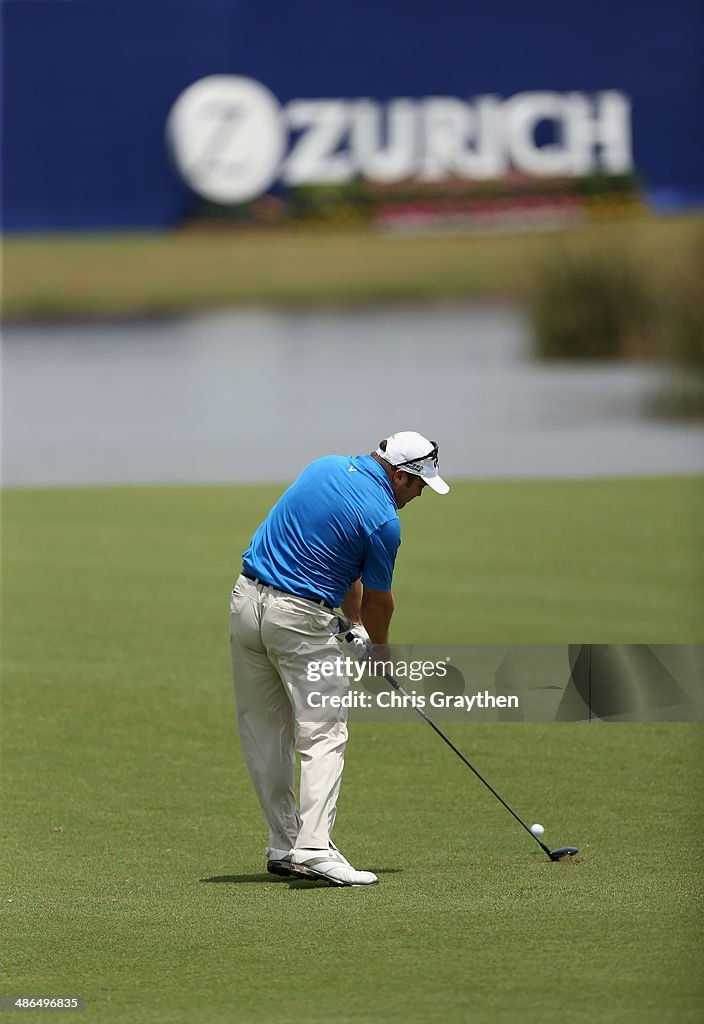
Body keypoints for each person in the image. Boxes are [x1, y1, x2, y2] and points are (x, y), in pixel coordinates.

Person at [229, 431, 449, 887]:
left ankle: (285, 843)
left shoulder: (324, 466)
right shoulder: (383, 520)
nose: (422, 493)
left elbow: (343, 566)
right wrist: (380, 655)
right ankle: (312, 849)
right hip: (299, 621)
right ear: (400, 474)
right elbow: (379, 602)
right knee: (324, 732)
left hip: (245, 605)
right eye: (420, 483)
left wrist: (352, 627)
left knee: (266, 733)